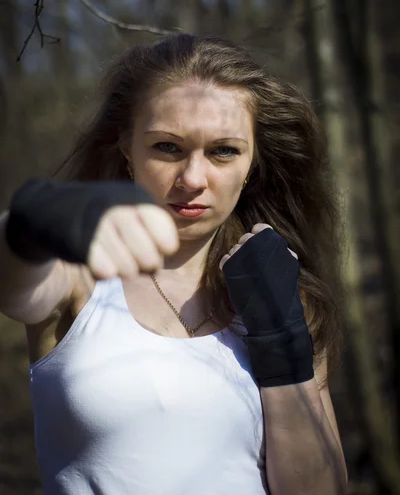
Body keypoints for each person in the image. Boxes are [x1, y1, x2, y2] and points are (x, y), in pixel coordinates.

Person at [0, 33, 348, 494]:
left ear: (253, 164)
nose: (192, 178)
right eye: (167, 147)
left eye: (224, 150)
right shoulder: (79, 277)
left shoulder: (285, 295)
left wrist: (282, 341)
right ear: (127, 151)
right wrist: (29, 224)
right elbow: (13, 283)